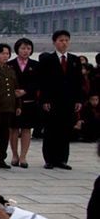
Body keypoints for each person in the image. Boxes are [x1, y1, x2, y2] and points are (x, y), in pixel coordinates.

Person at [38, 30, 84, 169]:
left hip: (68, 101)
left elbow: (78, 82)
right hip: (52, 101)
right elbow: (43, 82)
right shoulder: (47, 60)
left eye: (66, 40)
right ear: (54, 42)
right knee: (51, 130)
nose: (64, 43)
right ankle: (49, 159)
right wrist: (44, 100)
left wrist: (78, 100)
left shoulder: (75, 60)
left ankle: (62, 159)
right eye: (61, 40)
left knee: (65, 130)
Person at [7, 38, 40, 168]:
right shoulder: (10, 65)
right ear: (17, 49)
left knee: (26, 129)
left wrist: (25, 91)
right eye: (23, 48)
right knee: (14, 128)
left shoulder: (36, 65)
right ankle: (14, 155)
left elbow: (38, 82)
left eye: (28, 48)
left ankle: (23, 156)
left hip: (29, 100)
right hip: (13, 102)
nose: (25, 51)